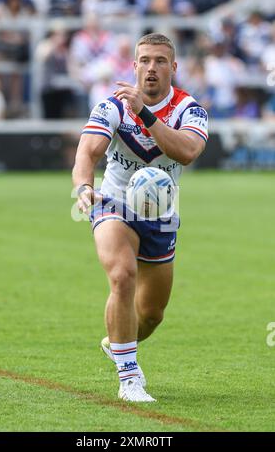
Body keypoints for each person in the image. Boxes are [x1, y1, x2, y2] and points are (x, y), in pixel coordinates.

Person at [72, 33, 208, 402]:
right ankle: (129, 377)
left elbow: (187, 152)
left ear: (173, 67)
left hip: (161, 214)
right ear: (134, 66)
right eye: (144, 60)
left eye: (160, 61)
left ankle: (117, 343)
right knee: (122, 275)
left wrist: (145, 114)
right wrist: (84, 188)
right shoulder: (114, 105)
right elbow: (87, 152)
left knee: (151, 314)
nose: (151, 68)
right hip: (113, 201)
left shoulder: (189, 109)